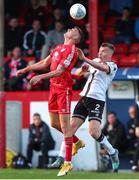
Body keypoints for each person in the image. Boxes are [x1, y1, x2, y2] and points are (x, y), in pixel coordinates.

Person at [16, 27, 83, 176]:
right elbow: (45, 63)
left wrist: (40, 77)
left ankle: (67, 163)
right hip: (53, 88)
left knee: (65, 126)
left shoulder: (72, 50)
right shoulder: (58, 47)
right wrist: (27, 69)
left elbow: (59, 71)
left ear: (76, 38)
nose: (71, 28)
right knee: (54, 124)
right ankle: (77, 141)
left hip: (63, 90)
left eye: (75, 30)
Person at [49, 43, 120, 173]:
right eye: (99, 50)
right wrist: (82, 70)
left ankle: (112, 152)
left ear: (110, 53)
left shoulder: (113, 66)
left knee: (93, 132)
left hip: (97, 100)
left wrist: (85, 59)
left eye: (103, 51)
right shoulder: (95, 61)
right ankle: (61, 157)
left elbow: (102, 68)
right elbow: (79, 72)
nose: (100, 53)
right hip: (84, 98)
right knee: (69, 129)